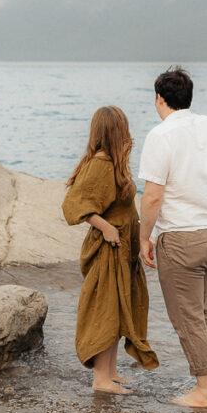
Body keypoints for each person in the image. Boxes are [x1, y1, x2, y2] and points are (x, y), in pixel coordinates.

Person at [138, 67, 207, 408]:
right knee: (203, 309)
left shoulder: (161, 135)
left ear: (159, 99)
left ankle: (205, 391)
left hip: (181, 238)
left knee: (187, 316)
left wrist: (143, 238)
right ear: (188, 98)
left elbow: (151, 196)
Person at [62, 106, 159, 394]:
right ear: (116, 131)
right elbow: (75, 204)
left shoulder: (113, 162)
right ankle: (100, 380)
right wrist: (106, 227)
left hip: (123, 248)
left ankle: (111, 371)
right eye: (124, 128)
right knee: (106, 309)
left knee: (119, 306)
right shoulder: (102, 164)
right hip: (110, 248)